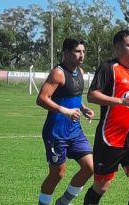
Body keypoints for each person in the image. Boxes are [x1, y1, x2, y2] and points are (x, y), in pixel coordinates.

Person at [84, 30, 129, 205]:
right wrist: (121, 101)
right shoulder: (108, 68)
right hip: (110, 138)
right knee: (101, 186)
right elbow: (92, 95)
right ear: (117, 48)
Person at [36, 38, 94, 205]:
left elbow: (73, 96)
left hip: (75, 131)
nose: (81, 55)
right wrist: (65, 111)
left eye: (83, 51)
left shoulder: (80, 72)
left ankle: (63, 202)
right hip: (56, 132)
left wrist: (83, 108)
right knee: (57, 174)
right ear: (66, 53)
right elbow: (41, 99)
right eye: (77, 51)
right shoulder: (58, 73)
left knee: (89, 168)